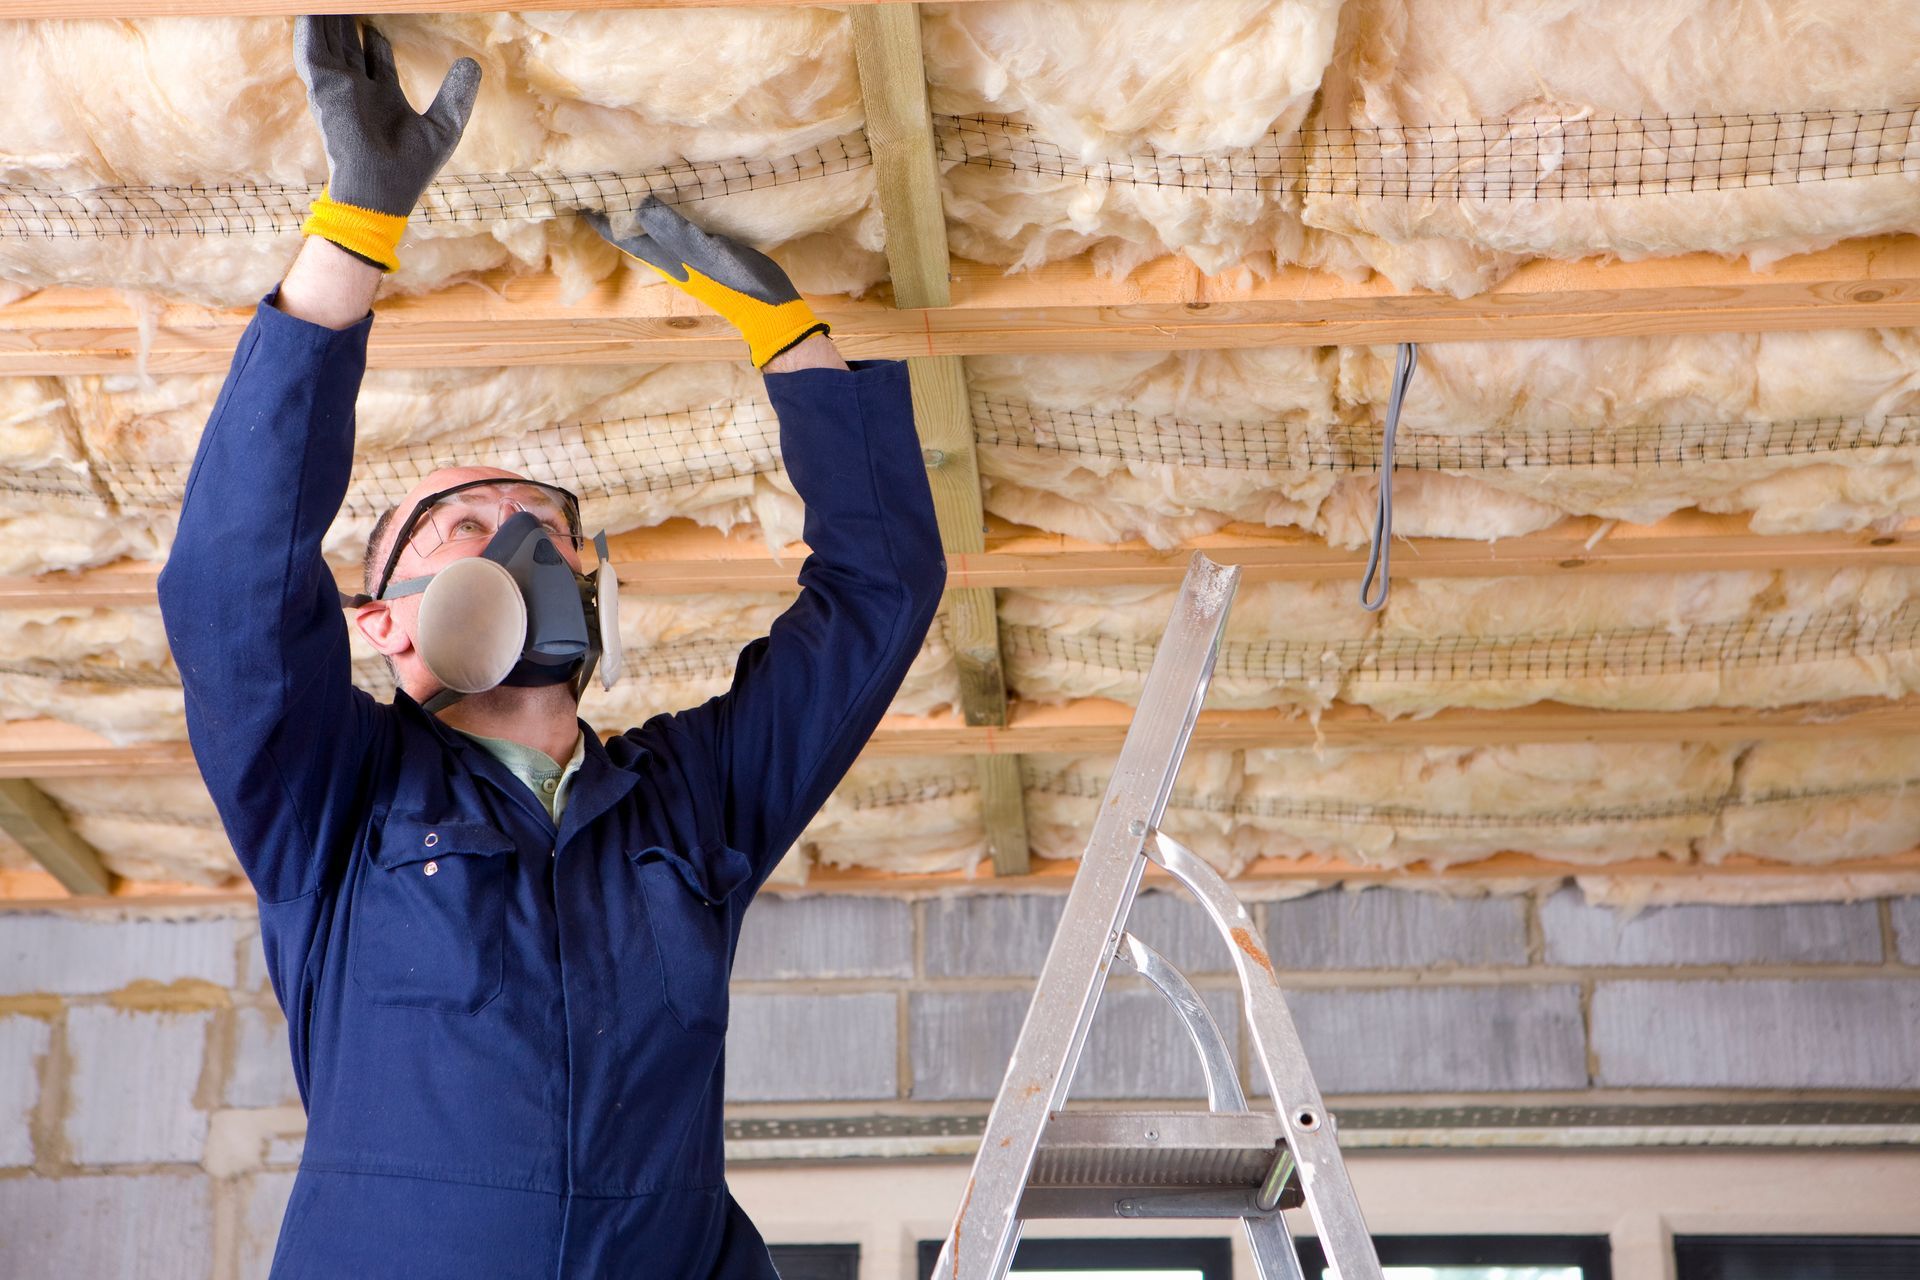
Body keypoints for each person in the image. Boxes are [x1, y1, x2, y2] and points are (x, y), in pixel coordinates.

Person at [156, 16, 944, 1278]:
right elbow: (230, 584)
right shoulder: (332, 797)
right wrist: (352, 235)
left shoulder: (688, 809)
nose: (519, 540)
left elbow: (885, 586)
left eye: (548, 529)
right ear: (382, 620)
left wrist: (791, 341)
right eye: (469, 523)